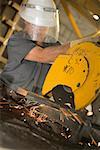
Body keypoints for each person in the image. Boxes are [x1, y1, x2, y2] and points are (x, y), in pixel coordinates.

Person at [0, 0, 71, 98]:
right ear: (26, 21)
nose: (40, 29)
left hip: (32, 104)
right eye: (35, 24)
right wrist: (75, 46)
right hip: (6, 95)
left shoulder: (55, 46)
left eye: (43, 25)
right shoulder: (17, 40)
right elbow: (42, 55)